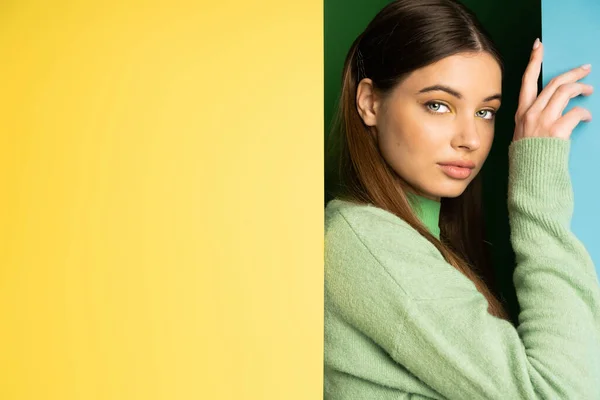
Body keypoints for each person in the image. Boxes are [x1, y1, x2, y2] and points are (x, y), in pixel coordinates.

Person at [323, 0, 600, 398]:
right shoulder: (366, 240)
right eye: (438, 105)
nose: (469, 139)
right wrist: (537, 193)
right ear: (370, 102)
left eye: (486, 112)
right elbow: (560, 393)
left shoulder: (412, 237)